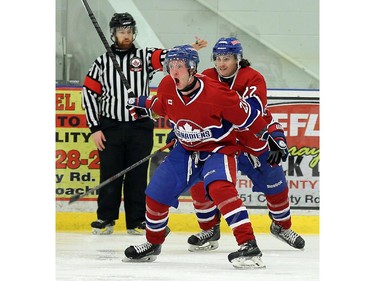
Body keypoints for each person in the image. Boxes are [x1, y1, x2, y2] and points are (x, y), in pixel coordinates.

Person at [123, 45, 287, 269]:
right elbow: (162, 105)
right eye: (171, 66)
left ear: (192, 69)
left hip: (217, 150)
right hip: (185, 149)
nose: (174, 71)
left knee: (221, 189)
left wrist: (271, 136)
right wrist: (141, 103)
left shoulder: (219, 94)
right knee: (155, 194)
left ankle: (249, 245)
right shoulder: (166, 85)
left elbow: (249, 118)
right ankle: (153, 243)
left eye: (180, 66)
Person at [81, 12, 207, 235]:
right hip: (110, 127)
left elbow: (168, 57)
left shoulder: (143, 56)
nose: (126, 36)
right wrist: (95, 128)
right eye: (122, 32)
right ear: (113, 34)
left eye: (129, 32)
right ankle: (106, 218)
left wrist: (191, 49)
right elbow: (89, 94)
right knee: (111, 173)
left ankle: (137, 220)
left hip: (139, 127)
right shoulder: (102, 62)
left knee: (138, 175)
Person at [183, 37, 305, 251]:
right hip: (218, 143)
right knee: (200, 183)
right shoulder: (206, 77)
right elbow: (189, 105)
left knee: (275, 184)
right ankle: (210, 229)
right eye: (218, 58)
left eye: (227, 58)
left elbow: (257, 112)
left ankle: (281, 226)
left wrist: (276, 136)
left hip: (251, 142)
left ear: (238, 59)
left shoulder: (253, 78)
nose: (221, 64)